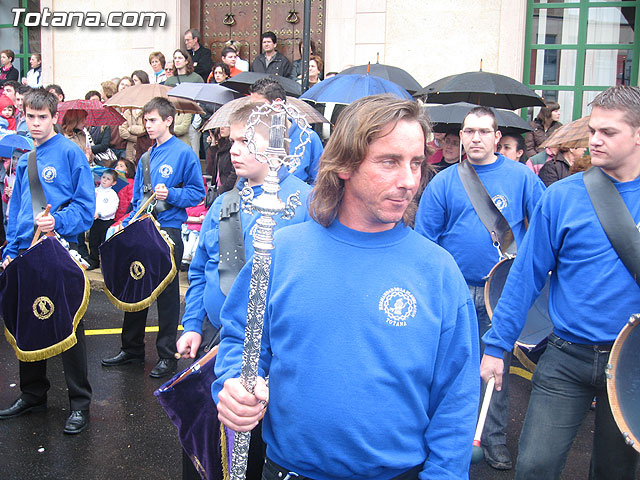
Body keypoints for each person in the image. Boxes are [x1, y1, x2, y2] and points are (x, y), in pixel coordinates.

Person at [213, 94, 480, 480]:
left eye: (417, 163)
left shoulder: (437, 270)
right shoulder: (282, 252)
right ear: (344, 166)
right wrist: (235, 384)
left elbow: (456, 396)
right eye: (390, 161)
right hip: (290, 470)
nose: (409, 181)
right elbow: (240, 338)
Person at [481, 85, 640, 480]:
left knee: (615, 472)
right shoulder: (562, 197)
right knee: (534, 465)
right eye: (593, 130)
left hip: (632, 363)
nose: (595, 140)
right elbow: (526, 275)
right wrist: (497, 345)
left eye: (609, 132)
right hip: (566, 355)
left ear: (638, 134)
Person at [177, 102, 312, 479]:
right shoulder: (223, 202)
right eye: (232, 140)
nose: (234, 150)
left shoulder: (307, 203)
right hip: (214, 340)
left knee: (251, 453)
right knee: (203, 448)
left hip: (269, 351)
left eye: (246, 141)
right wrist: (191, 324)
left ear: (277, 148)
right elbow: (203, 268)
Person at [415, 106, 545, 471]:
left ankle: (494, 439)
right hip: (453, 291)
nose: (475, 138)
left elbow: (543, 230)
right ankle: (443, 436)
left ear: (496, 136)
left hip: (501, 293)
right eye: (469, 131)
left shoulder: (522, 178)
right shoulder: (443, 182)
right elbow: (426, 240)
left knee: (495, 368)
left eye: (483, 132)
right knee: (446, 368)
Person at [0, 88, 95, 434]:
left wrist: (59, 222)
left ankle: (80, 404)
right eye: (30, 116)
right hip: (26, 251)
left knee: (68, 325)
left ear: (54, 117)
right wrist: (11, 250)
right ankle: (32, 394)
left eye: (43, 117)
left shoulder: (71, 154)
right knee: (28, 321)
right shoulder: (26, 159)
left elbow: (86, 209)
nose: (36, 123)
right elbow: (16, 212)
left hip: (58, 249)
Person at [101, 96, 205, 379]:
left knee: (168, 296)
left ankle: (167, 355)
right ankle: (131, 349)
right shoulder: (146, 157)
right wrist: (127, 223)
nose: (147, 126)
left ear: (168, 120)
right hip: (143, 229)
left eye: (152, 120)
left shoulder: (183, 153)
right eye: (145, 120)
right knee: (136, 286)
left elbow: (198, 193)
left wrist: (171, 194)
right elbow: (137, 201)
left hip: (168, 231)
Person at [249, 78, 324, 184]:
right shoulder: (253, 136)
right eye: (252, 107)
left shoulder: (308, 137)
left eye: (259, 106)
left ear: (277, 104)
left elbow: (319, 181)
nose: (255, 112)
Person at [87, 169, 119, 270]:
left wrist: (100, 214)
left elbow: (112, 209)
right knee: (93, 240)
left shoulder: (113, 194)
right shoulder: (95, 191)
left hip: (106, 222)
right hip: (95, 221)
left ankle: (106, 264)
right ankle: (93, 260)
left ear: (113, 183)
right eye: (103, 177)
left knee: (105, 243)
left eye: (108, 179)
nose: (104, 180)